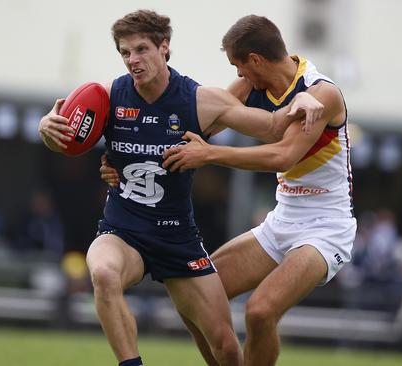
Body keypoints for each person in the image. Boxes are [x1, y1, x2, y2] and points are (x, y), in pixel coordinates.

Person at [38, 10, 322, 366]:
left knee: (226, 347)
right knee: (104, 273)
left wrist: (305, 97)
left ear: (164, 47)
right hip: (124, 230)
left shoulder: (198, 101)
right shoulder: (108, 96)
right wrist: (47, 128)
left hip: (177, 239)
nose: (133, 60)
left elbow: (273, 127)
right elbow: (64, 136)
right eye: (125, 53)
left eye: (141, 49)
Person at [102, 14, 356, 366]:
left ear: (255, 61)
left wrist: (208, 156)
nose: (236, 76)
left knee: (259, 311)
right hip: (282, 219)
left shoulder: (321, 93)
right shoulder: (254, 84)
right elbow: (197, 125)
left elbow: (281, 153)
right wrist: (121, 162)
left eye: (237, 67)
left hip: (326, 227)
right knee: (199, 299)